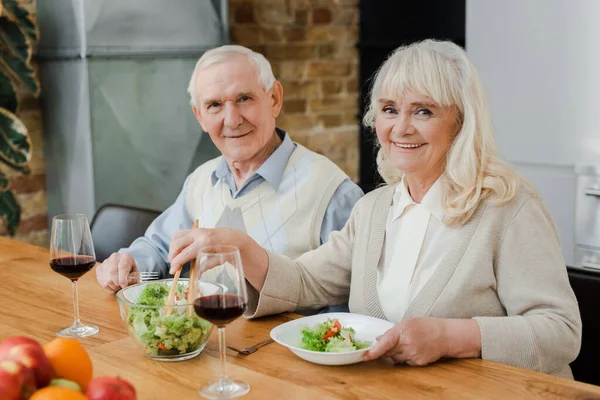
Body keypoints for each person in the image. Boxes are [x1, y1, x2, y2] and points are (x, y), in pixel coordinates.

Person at [168, 40, 582, 378]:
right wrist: (241, 248)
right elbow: (308, 280)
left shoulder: (509, 208)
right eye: (389, 110)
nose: (400, 128)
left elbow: (560, 332)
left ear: (462, 121)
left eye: (423, 110)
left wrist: (451, 336)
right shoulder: (375, 209)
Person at [95, 45, 363, 292]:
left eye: (244, 99)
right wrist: (132, 263)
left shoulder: (333, 193)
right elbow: (159, 247)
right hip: (204, 339)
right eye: (214, 105)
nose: (232, 120)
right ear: (199, 116)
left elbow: (349, 301)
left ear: (274, 99)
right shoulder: (201, 180)